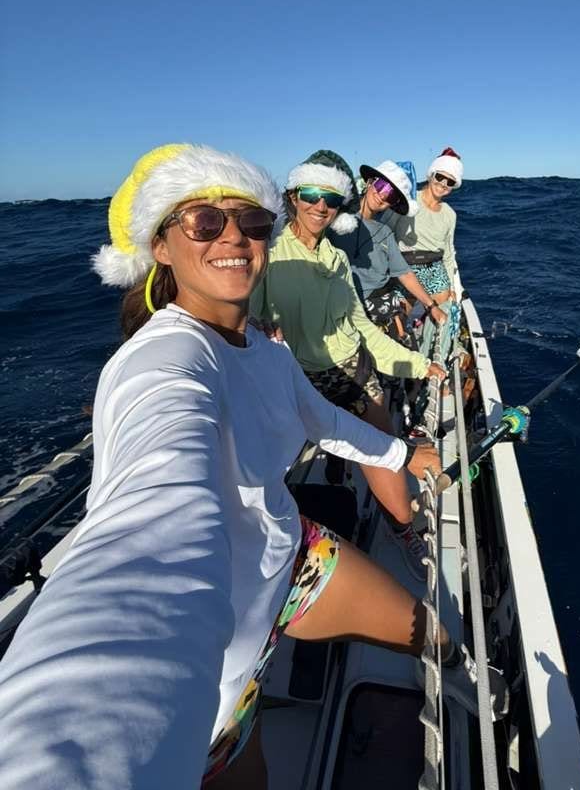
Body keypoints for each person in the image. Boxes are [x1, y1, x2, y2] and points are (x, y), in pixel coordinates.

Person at [0, 143, 501, 790]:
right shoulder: (164, 362)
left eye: (250, 222)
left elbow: (324, 422)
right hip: (214, 669)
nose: (233, 236)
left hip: (291, 557)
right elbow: (150, 530)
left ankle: (477, 685)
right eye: (205, 222)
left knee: (433, 636)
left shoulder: (263, 352)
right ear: (160, 246)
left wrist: (405, 452)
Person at [249, 150, 446, 581]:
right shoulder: (268, 256)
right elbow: (246, 317)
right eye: (311, 195)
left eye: (331, 199)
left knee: (383, 438)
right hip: (298, 375)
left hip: (352, 368)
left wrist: (417, 364)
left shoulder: (337, 261)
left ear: (340, 207)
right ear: (293, 197)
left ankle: (398, 528)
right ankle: (389, 519)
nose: (320, 206)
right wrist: (258, 327)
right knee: (371, 443)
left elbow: (362, 327)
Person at [327, 158, 449, 334]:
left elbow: (405, 273)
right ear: (369, 182)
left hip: (384, 307)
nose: (383, 195)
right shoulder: (335, 218)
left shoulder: (385, 232)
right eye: (381, 186)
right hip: (346, 306)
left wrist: (431, 306)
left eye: (391, 195)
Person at [384, 147, 463, 306]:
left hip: (434, 268)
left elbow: (448, 254)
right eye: (440, 177)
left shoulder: (450, 214)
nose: (443, 184)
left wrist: (453, 288)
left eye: (450, 182)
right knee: (398, 316)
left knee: (445, 313)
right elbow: (384, 231)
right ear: (431, 175)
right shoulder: (408, 199)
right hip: (404, 266)